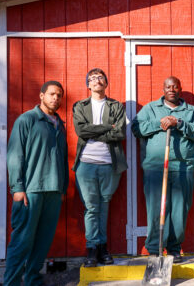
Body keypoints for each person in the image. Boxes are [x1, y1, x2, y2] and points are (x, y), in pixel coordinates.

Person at [132, 76, 194, 263]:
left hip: (182, 166)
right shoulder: (151, 109)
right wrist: (160, 123)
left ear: (180, 88)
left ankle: (174, 249)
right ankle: (156, 249)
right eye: (168, 87)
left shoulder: (191, 111)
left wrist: (179, 123)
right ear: (163, 89)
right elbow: (136, 128)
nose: (172, 89)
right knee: (157, 208)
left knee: (180, 210)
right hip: (156, 166)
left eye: (175, 86)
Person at [4, 81, 68, 286]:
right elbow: (15, 155)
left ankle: (33, 280)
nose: (55, 98)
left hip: (54, 190)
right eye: (51, 94)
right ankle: (11, 283)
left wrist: (63, 187)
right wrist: (17, 188)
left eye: (59, 95)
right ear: (41, 96)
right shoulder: (27, 120)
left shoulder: (59, 124)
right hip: (30, 191)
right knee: (22, 241)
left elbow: (63, 158)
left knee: (43, 242)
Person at [72, 68, 127, 267]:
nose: (97, 81)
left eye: (100, 77)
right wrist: (106, 128)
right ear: (88, 85)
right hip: (86, 164)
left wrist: (93, 132)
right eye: (92, 78)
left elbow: (120, 133)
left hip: (109, 164)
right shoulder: (80, 106)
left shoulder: (115, 106)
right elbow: (81, 130)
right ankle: (92, 249)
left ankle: (103, 247)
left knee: (104, 206)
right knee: (91, 207)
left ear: (106, 83)